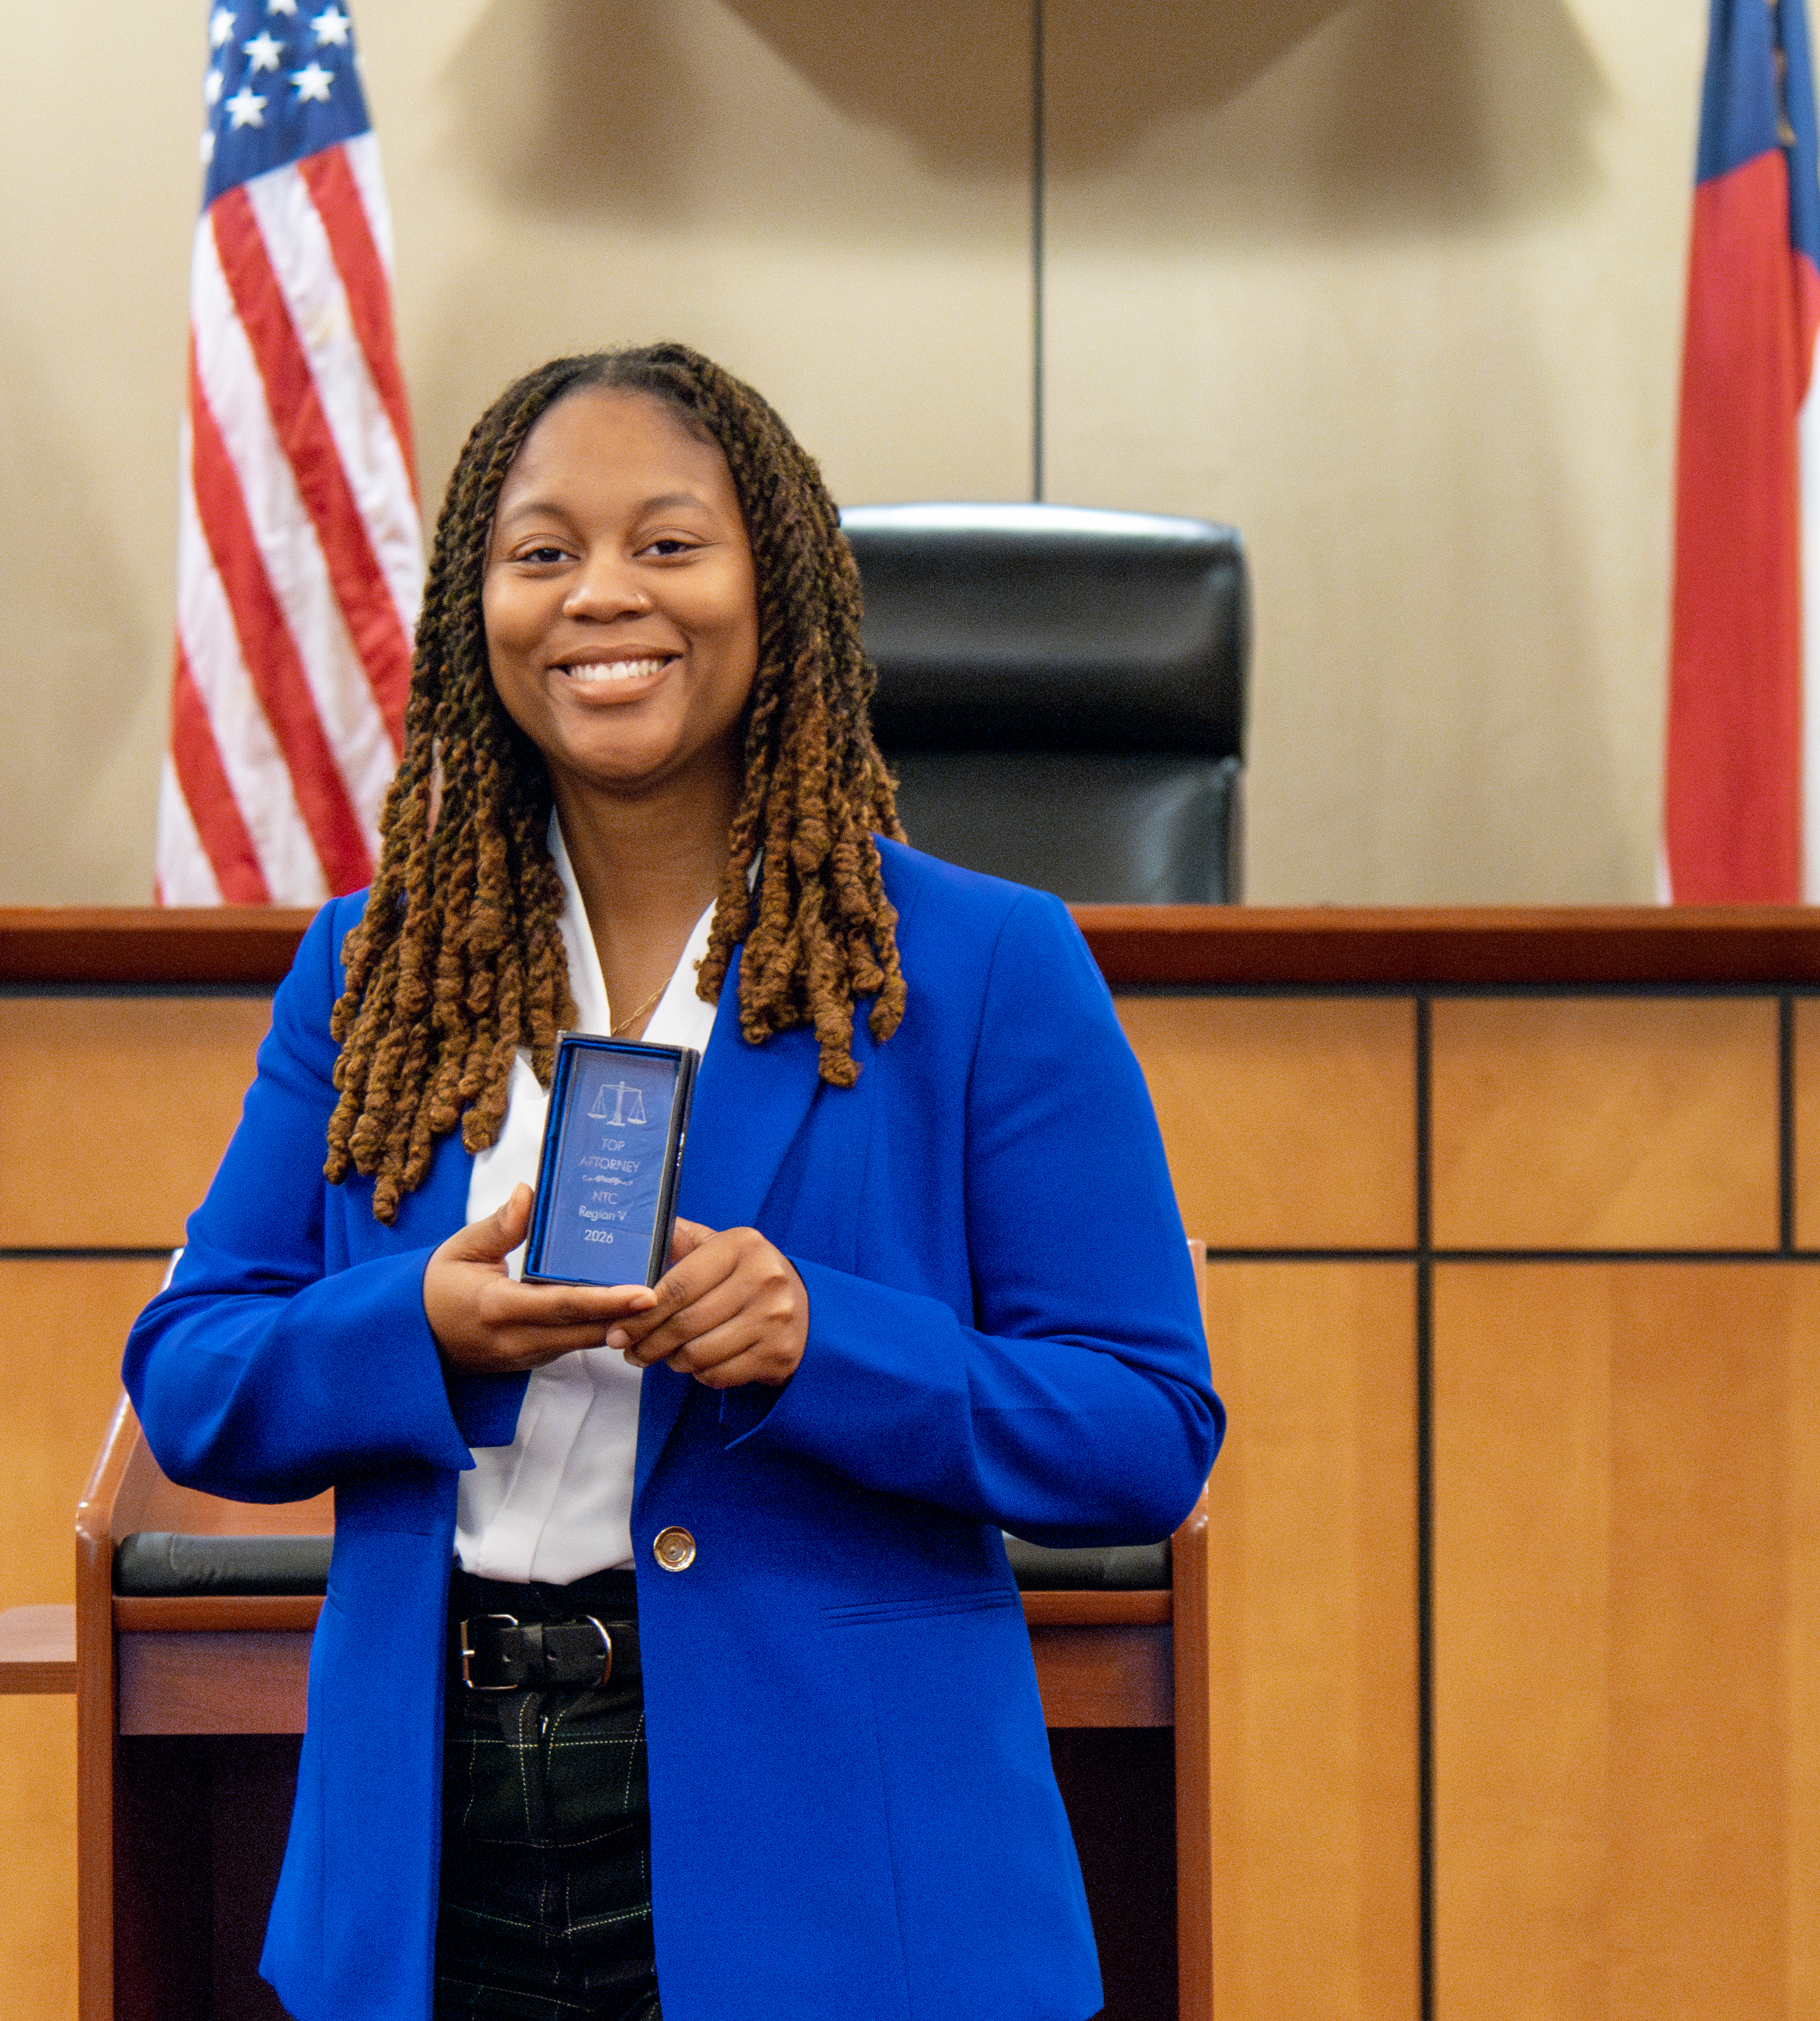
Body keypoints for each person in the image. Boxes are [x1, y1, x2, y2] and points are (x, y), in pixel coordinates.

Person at [124, 342, 1223, 2021]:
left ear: (770, 588)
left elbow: (1146, 1426)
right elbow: (191, 1373)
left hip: (838, 1862)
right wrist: (417, 1324)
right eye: (542, 553)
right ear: (473, 608)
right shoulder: (370, 972)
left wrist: (820, 1341)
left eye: (668, 544)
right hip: (437, 1846)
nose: (601, 599)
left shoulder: (989, 966)